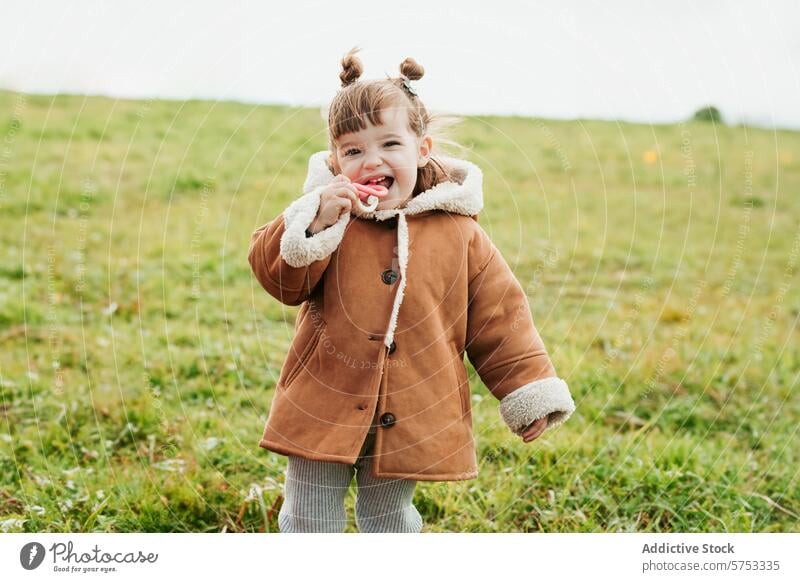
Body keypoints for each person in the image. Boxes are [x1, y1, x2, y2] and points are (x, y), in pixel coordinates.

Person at [247, 47, 576, 533]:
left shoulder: (459, 233)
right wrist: (314, 221)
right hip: (323, 401)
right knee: (308, 518)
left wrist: (529, 392)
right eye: (353, 150)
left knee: (390, 521)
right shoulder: (326, 217)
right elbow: (280, 279)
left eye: (389, 145)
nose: (370, 160)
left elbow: (500, 320)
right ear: (336, 159)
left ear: (421, 149)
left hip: (410, 409)